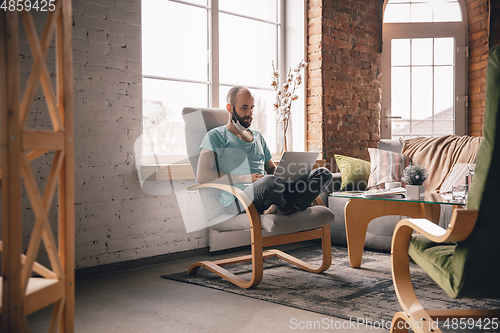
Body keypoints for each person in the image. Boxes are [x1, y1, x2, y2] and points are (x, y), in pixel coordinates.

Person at [197, 86, 333, 216]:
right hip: (240, 199)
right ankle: (294, 205)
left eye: (251, 108)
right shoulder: (216, 136)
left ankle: (289, 208)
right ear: (230, 108)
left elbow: (271, 169)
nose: (249, 114)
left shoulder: (257, 136)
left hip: (271, 191)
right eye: (244, 108)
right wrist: (245, 178)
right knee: (270, 182)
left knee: (323, 173)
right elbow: (202, 176)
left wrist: (291, 174)